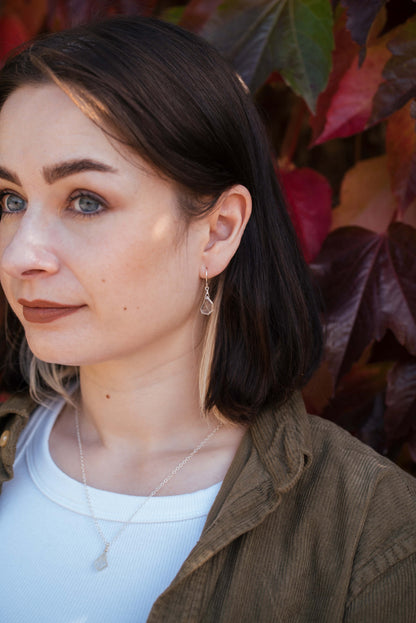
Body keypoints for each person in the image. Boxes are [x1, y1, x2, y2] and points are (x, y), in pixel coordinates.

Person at [0, 16, 414, 623]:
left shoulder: (371, 535)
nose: (19, 255)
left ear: (217, 232)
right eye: (9, 200)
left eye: (85, 200)